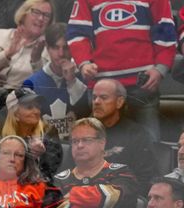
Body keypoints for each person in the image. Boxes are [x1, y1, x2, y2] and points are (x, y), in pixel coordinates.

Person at [67, 0, 176, 141]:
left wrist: (161, 68)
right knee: (103, 148)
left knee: (150, 146)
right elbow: (77, 32)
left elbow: (165, 28)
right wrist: (84, 63)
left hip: (142, 83)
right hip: (102, 85)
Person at [44, 118, 137, 208]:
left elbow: (114, 197)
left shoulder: (121, 172)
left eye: (86, 140)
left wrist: (73, 195)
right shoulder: (58, 180)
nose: (80, 145)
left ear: (102, 143)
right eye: (75, 141)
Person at [0, 0, 53, 110]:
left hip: (21, 106)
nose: (41, 19)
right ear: (23, 14)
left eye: (46, 15)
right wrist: (7, 54)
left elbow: (46, 87)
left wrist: (36, 60)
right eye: (36, 12)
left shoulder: (49, 48)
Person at [21, 22, 88, 141]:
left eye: (66, 48)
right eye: (56, 48)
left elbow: (86, 113)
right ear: (47, 48)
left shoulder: (83, 77)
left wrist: (72, 81)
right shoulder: (31, 83)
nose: (61, 54)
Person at [90, 79, 158, 190]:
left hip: (122, 199)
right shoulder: (82, 131)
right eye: (94, 97)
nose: (96, 102)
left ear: (119, 102)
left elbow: (144, 178)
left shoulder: (137, 134)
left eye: (103, 97)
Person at [0, 87, 62, 180]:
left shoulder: (49, 134)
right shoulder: (2, 141)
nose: (36, 111)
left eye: (38, 107)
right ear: (15, 113)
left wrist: (41, 156)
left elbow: (53, 174)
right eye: (29, 107)